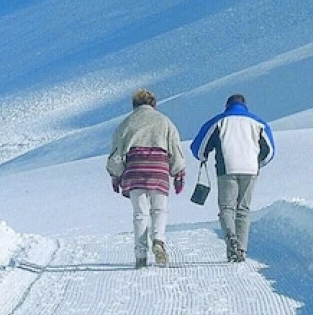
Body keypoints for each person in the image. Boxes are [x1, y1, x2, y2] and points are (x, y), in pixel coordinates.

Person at [106, 88, 187, 267]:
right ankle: (158, 240)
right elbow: (175, 149)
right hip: (159, 168)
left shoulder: (126, 123)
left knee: (140, 214)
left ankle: (141, 255)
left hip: (135, 170)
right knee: (159, 210)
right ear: (154, 104)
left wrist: (115, 173)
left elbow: (117, 151)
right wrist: (178, 172)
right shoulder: (165, 122)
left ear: (134, 105)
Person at [191, 93, 274, 263]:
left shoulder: (219, 121)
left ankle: (231, 239)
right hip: (251, 169)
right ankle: (241, 249)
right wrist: (258, 163)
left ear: (227, 106)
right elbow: (270, 150)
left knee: (227, 208)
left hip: (227, 168)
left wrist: (203, 157)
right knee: (243, 209)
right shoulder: (258, 123)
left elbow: (198, 147)